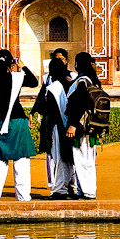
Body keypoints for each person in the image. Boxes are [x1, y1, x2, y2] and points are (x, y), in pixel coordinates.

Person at [0, 50, 39, 201]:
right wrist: (22, 66)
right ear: (11, 63)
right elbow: (34, 82)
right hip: (16, 121)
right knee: (21, 160)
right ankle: (23, 196)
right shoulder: (17, 77)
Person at [62, 52, 110, 200]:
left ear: (77, 64)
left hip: (82, 127)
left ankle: (88, 192)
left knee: (83, 159)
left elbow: (79, 105)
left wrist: (73, 125)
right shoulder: (92, 80)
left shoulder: (82, 81)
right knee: (87, 158)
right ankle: (84, 190)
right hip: (91, 126)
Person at [37, 53, 74, 198]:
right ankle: (72, 186)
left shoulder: (53, 88)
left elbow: (48, 109)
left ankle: (59, 189)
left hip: (57, 127)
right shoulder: (71, 83)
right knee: (69, 158)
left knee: (58, 159)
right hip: (70, 126)